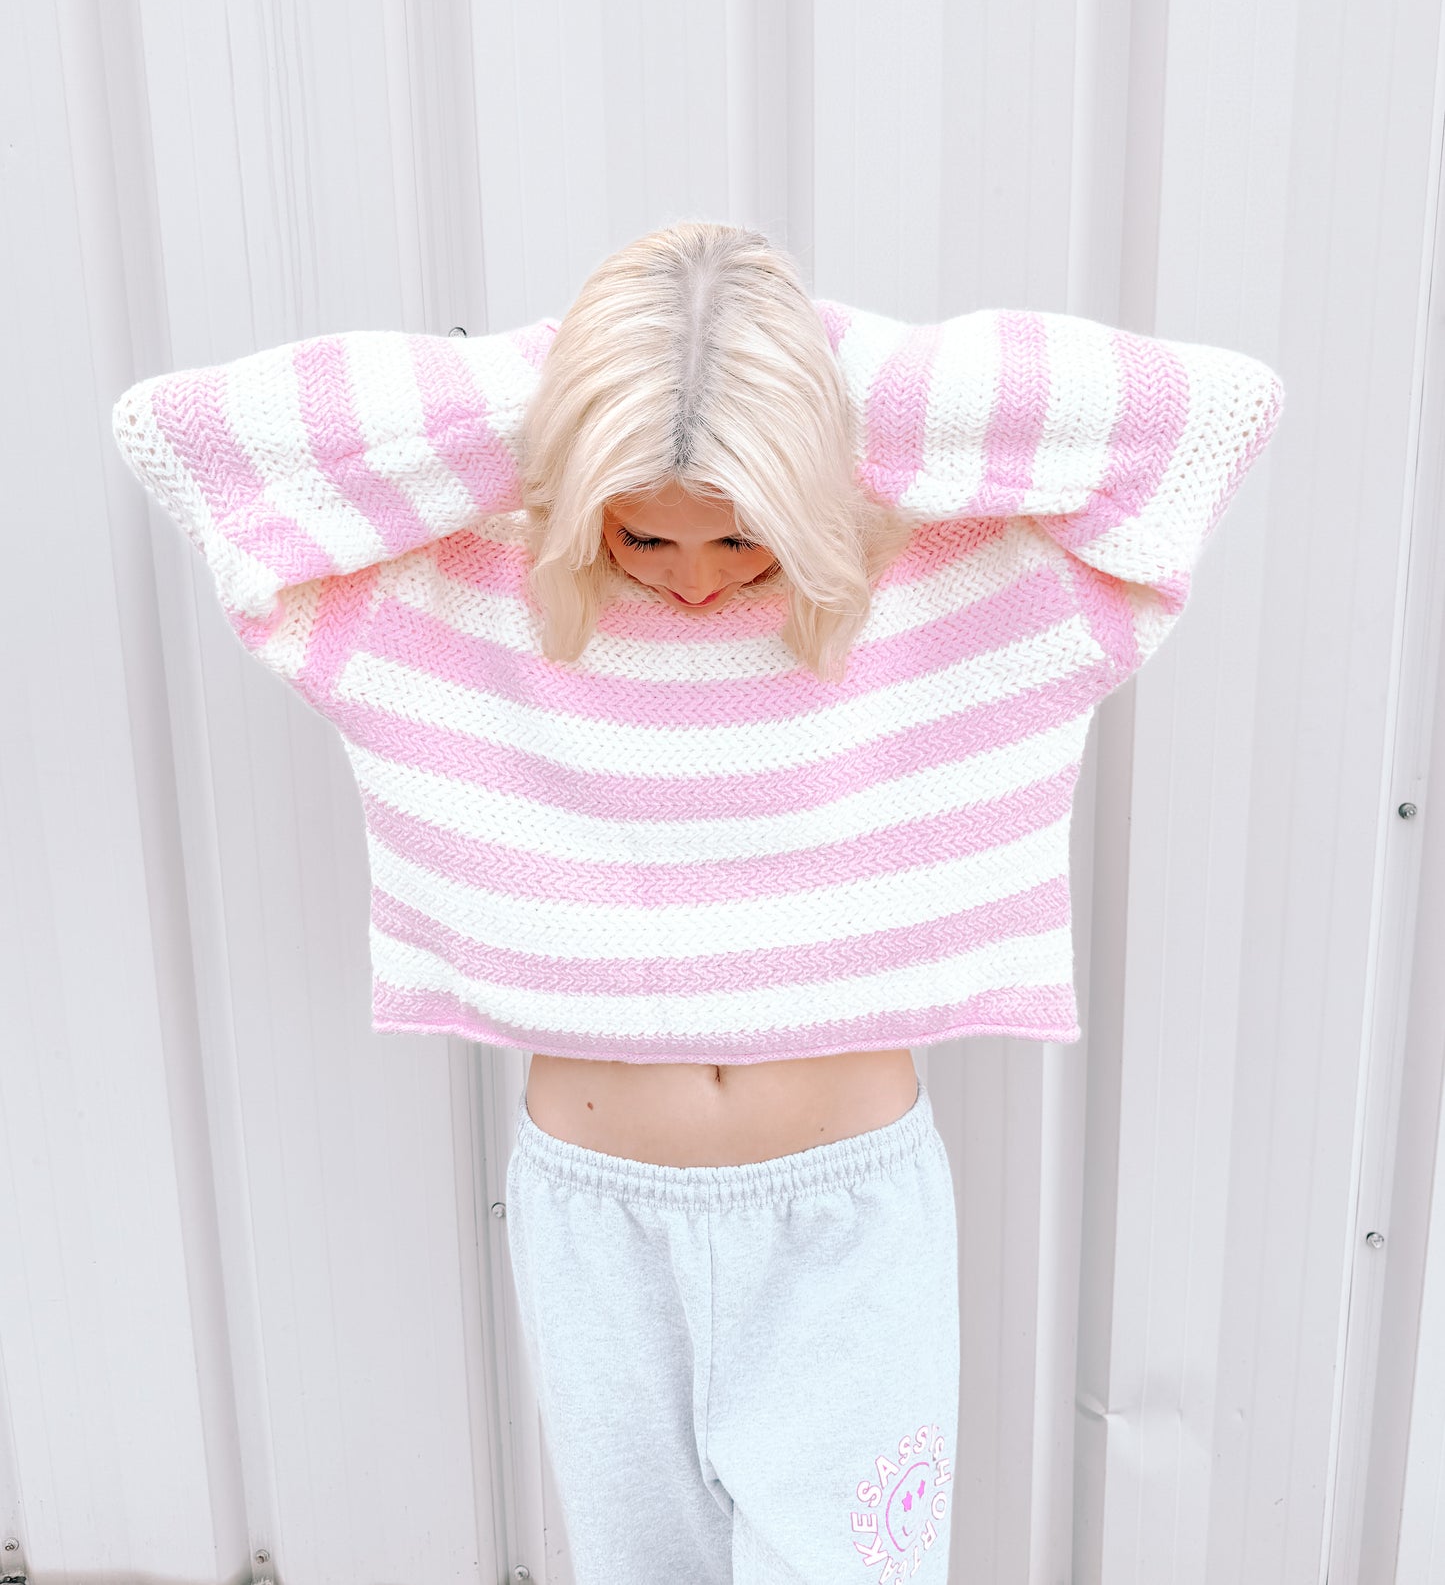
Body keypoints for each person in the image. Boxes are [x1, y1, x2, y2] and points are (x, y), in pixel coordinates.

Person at [112, 220, 1285, 1583]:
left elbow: (1211, 412)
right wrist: (597, 394)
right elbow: (180, 434)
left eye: (742, 531)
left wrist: (779, 379)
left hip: (848, 1221)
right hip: (599, 1219)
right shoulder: (463, 595)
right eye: (645, 529)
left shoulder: (953, 583)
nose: (693, 574)